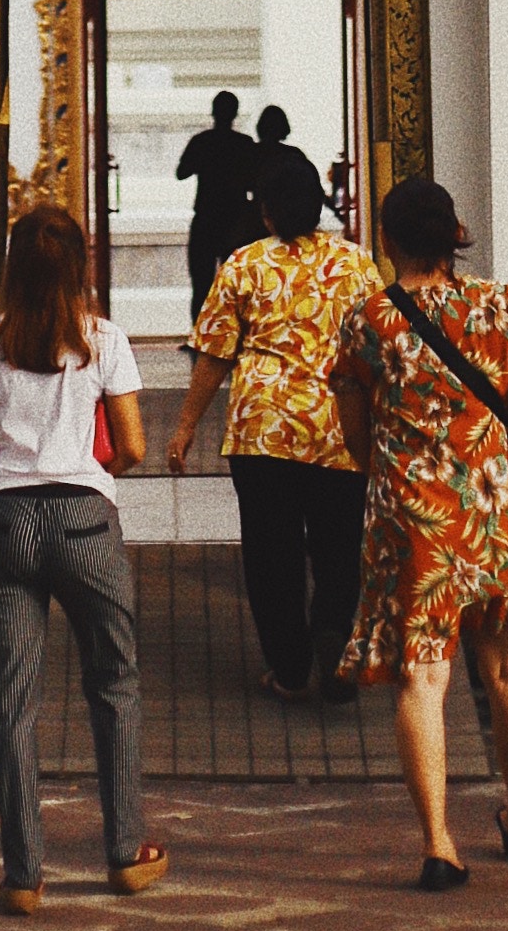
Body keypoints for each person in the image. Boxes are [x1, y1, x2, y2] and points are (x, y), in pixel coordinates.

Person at [331, 174, 508, 894]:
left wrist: (400, 476)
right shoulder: (501, 304)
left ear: (386, 238)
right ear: (454, 235)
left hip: (412, 512)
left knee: (423, 677)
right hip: (497, 506)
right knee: (507, 668)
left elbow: (356, 437)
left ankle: (437, 842)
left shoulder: (366, 320)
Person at [0, 204, 170, 915]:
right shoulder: (103, 339)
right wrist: (88, 475)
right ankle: (124, 851)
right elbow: (133, 445)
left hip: (5, 519)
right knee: (114, 682)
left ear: (11, 263)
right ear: (80, 265)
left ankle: (23, 875)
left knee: (10, 703)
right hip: (83, 523)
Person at [164, 146, 382, 702]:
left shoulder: (244, 264)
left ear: (265, 212)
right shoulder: (356, 264)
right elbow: (379, 348)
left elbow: (214, 353)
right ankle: (333, 630)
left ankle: (289, 668)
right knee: (339, 544)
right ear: (319, 205)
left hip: (262, 428)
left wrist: (186, 426)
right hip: (339, 425)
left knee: (271, 552)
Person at [175, 89, 260, 320]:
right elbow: (253, 182)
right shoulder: (244, 144)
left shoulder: (202, 141)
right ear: (235, 114)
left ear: (213, 112)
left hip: (206, 216)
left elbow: (181, 172)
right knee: (236, 283)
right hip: (236, 219)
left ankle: (200, 331)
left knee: (201, 283)